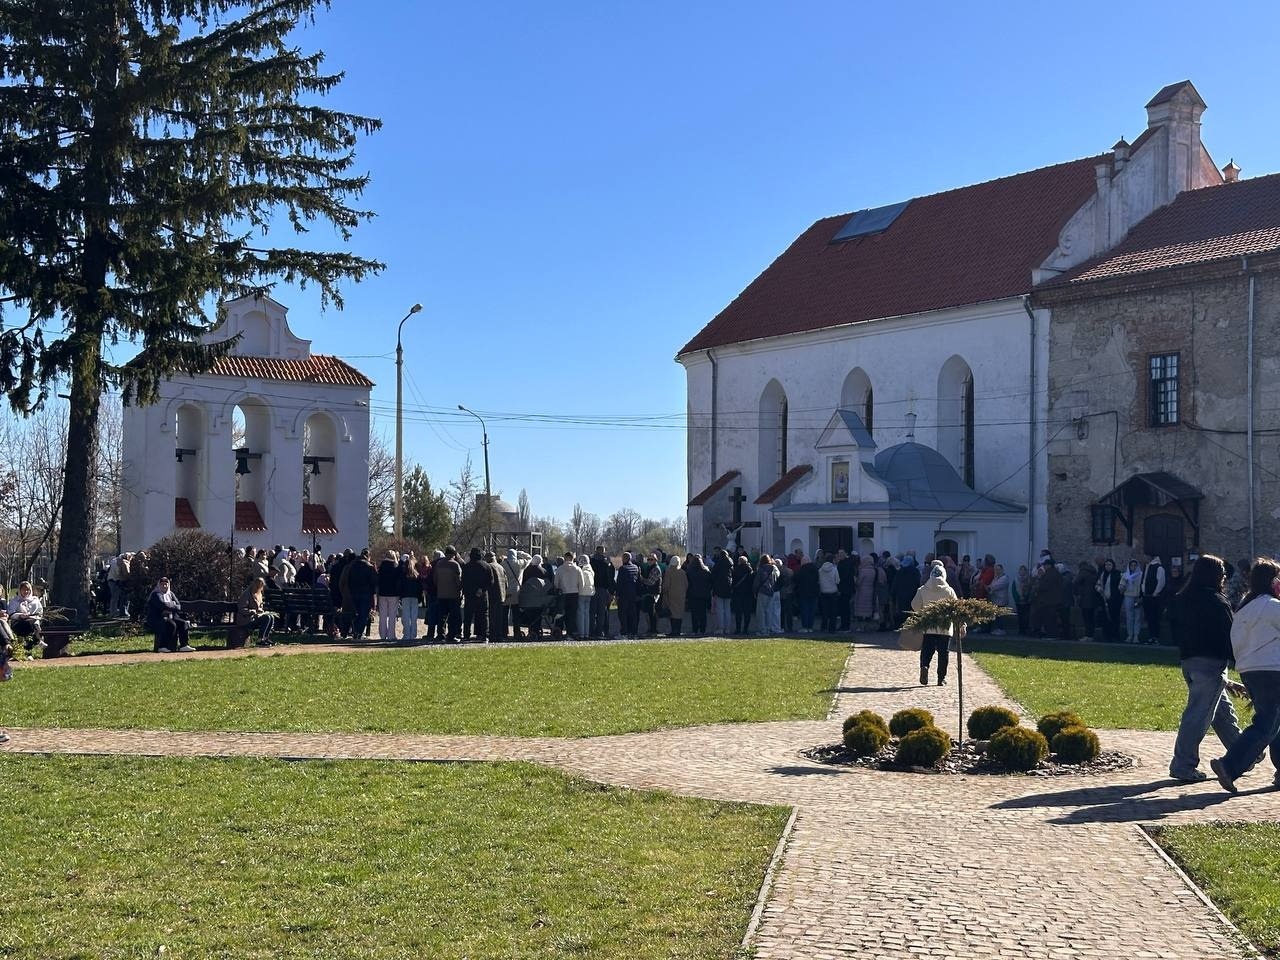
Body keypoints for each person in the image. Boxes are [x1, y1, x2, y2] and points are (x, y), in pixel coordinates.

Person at [1167, 554, 1242, 782]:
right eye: (1222, 573)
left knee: (1220, 711)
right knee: (1198, 715)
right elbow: (1231, 636)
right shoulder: (1217, 602)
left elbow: (1171, 628)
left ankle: (1245, 753)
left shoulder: (1182, 599)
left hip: (1189, 660)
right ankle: (1183, 764)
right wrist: (1240, 662)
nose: (1224, 577)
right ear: (1214, 576)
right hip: (1211, 662)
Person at [1211, 558, 1280, 793]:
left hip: (1250, 670)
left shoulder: (1243, 608)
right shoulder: (1272, 606)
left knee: (1274, 722)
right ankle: (1229, 765)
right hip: (1272, 670)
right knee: (1265, 725)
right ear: (1272, 581)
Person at [912, 560, 959, 686]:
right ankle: (941, 678)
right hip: (945, 626)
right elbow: (956, 608)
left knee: (927, 650)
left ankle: (924, 666)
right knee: (943, 653)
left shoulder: (922, 590)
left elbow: (915, 605)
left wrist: (923, 612)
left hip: (929, 625)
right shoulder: (949, 591)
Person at [145, 577, 194, 653]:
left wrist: (170, 606)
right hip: (156, 618)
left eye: (166, 584)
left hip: (171, 617)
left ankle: (184, 645)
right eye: (162, 584)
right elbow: (162, 605)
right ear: (159, 585)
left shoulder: (170, 594)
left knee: (183, 623)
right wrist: (172, 604)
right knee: (171, 624)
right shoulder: (155, 594)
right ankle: (163, 646)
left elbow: (178, 606)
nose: (164, 586)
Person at [2, 581, 44, 655]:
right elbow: (11, 613)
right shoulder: (14, 601)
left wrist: (31, 616)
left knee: (30, 623)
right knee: (26, 624)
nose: (26, 591)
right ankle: (36, 643)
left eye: (27, 590)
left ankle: (30, 649)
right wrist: (20, 615)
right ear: (20, 590)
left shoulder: (35, 601)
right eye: (24, 590)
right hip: (17, 622)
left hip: (32, 621)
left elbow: (40, 613)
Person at [461, 547, 494, 642]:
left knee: (468, 616)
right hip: (483, 594)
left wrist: (469, 590)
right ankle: (484, 636)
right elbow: (491, 581)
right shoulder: (487, 566)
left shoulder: (467, 567)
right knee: (484, 615)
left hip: (470, 594)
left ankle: (466, 635)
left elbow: (464, 581)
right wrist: (482, 589)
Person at [433, 546, 463, 642]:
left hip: (441, 594)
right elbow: (458, 581)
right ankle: (451, 635)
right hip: (453, 594)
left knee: (442, 615)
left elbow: (435, 580)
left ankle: (440, 635)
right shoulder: (455, 565)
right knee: (453, 616)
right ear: (454, 554)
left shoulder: (439, 564)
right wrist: (460, 589)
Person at [236, 576, 276, 647]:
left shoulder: (259, 594)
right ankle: (259, 640)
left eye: (260, 586)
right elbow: (241, 609)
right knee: (266, 618)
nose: (258, 588)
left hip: (254, 618)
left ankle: (265, 638)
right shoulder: (247, 594)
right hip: (246, 620)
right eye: (257, 586)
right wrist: (252, 611)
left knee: (271, 617)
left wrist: (261, 610)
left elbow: (260, 607)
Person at [517, 561, 552, 640]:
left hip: (529, 598)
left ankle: (532, 629)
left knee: (531, 615)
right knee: (537, 614)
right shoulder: (543, 570)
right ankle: (535, 629)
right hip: (539, 599)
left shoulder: (527, 570)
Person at [554, 551, 584, 639]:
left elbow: (556, 583)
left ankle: (558, 632)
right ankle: (570, 633)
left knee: (561, 614)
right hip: (574, 594)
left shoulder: (560, 569)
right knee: (572, 615)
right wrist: (580, 592)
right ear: (573, 558)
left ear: (565, 557)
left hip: (563, 594)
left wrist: (557, 590)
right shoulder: (577, 569)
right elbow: (581, 583)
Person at [502, 549, 530, 638]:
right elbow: (529, 558)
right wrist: (520, 553)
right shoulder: (520, 563)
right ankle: (517, 632)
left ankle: (504, 632)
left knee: (504, 613)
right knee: (516, 614)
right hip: (516, 591)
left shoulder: (503, 564)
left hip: (505, 590)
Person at [588, 546, 614, 639]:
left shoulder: (591, 562)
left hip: (593, 588)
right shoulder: (607, 563)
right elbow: (610, 578)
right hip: (603, 589)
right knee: (601, 612)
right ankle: (600, 631)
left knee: (592, 611)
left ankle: (590, 631)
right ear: (603, 552)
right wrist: (611, 591)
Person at [1141, 553, 1168, 644]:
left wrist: (1155, 593)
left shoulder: (1158, 567)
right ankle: (1151, 636)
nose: (1143, 558)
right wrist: (1143, 591)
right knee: (1149, 617)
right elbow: (1144, 580)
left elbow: (1161, 581)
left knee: (1154, 618)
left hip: (1154, 597)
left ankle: (1156, 637)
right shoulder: (1147, 566)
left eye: (1145, 556)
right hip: (1147, 596)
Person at [1095, 559, 1124, 643]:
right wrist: (1099, 589)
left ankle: (1115, 635)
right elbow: (1097, 584)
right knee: (1106, 619)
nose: (1108, 566)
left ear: (1113, 565)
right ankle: (1107, 635)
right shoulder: (1102, 574)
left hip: (1115, 600)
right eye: (1106, 565)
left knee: (1115, 618)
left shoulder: (1118, 574)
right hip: (1105, 600)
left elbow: (1122, 586)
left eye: (1109, 565)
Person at [890, 555, 921, 629]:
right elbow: (918, 582)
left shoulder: (900, 571)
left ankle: (902, 626)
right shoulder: (916, 571)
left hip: (901, 595)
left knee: (902, 611)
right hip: (913, 594)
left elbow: (895, 584)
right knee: (912, 611)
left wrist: (893, 594)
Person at [614, 552, 641, 639]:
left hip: (624, 595)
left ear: (624, 559)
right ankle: (633, 633)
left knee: (622, 614)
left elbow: (619, 583)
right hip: (633, 595)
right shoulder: (636, 567)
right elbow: (638, 581)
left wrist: (617, 595)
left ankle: (624, 633)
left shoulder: (623, 568)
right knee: (632, 615)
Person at [660, 554, 688, 637]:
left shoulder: (669, 571)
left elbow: (666, 585)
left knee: (672, 613)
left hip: (671, 595)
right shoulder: (683, 572)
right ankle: (678, 631)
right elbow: (686, 584)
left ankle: (673, 631)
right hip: (681, 595)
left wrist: (663, 591)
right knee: (679, 613)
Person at [684, 554, 711, 636]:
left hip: (693, 595)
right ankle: (703, 630)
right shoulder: (706, 571)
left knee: (694, 614)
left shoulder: (689, 571)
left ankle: (694, 630)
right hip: (704, 595)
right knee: (703, 613)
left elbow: (687, 583)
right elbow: (710, 583)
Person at [751, 554, 778, 636]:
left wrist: (754, 591)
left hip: (762, 591)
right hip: (771, 591)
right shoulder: (773, 569)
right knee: (769, 611)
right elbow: (775, 580)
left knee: (761, 612)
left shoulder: (761, 569)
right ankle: (768, 629)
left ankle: (762, 630)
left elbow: (757, 581)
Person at [1073, 560, 1100, 641]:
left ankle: (1087, 635)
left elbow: (1076, 582)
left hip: (1085, 598)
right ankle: (1091, 635)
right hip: (1093, 598)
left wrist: (1076, 593)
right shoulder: (1094, 572)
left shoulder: (1083, 572)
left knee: (1086, 618)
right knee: (1091, 618)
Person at [397, 555, 422, 643]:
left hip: (405, 596)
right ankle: (413, 634)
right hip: (414, 596)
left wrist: (400, 595)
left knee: (406, 616)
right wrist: (420, 598)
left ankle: (406, 634)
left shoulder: (403, 574)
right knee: (414, 616)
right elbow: (420, 588)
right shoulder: (417, 575)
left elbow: (400, 586)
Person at [486, 551, 508, 642]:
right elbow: (506, 583)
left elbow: (488, 581)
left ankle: (492, 635)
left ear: (488, 558)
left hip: (492, 595)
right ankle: (499, 635)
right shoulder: (501, 567)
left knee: (491, 616)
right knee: (499, 617)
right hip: (501, 595)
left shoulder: (489, 566)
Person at [794, 553, 819, 633]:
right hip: (814, 592)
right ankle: (810, 627)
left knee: (805, 610)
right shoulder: (815, 569)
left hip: (803, 593)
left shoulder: (801, 570)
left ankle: (805, 627)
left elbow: (796, 579)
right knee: (812, 610)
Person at [853, 553, 880, 628]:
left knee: (860, 609)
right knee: (868, 608)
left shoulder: (862, 570)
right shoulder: (873, 570)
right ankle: (866, 626)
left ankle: (860, 626)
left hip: (861, 591)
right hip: (870, 590)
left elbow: (859, 582)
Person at [710, 549, 734, 635]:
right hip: (728, 588)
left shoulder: (718, 564)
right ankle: (727, 628)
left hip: (719, 588)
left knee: (720, 610)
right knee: (727, 609)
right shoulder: (731, 564)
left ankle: (721, 628)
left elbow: (713, 576)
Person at [731, 554, 755, 635]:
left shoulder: (736, 570)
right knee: (747, 613)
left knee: (738, 613)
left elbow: (733, 582)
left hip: (738, 593)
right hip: (748, 594)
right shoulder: (750, 570)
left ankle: (738, 629)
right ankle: (745, 629)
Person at [1120, 559, 1143, 643]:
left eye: (1134, 565)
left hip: (1137, 597)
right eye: (1131, 565)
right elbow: (1121, 587)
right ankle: (1130, 635)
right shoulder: (1125, 575)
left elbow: (1143, 586)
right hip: (1128, 596)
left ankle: (1136, 635)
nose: (1133, 567)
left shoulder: (1141, 575)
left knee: (1138, 617)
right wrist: (1125, 583)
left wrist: (1141, 596)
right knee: (1129, 616)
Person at [836, 549, 856, 631]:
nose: (839, 555)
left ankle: (845, 625)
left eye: (841, 553)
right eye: (839, 553)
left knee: (845, 608)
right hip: (844, 588)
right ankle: (844, 624)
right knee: (843, 608)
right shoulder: (843, 563)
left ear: (845, 554)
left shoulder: (846, 563)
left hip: (845, 588)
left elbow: (844, 576)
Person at [987, 563, 1010, 635]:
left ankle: (1002, 629)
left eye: (999, 569)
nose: (997, 571)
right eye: (996, 570)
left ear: (1002, 570)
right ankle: (998, 629)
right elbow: (991, 585)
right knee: (997, 615)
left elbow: (994, 586)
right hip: (995, 600)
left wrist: (990, 587)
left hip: (1001, 600)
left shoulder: (1005, 578)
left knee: (1001, 616)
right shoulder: (996, 578)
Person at [575, 553, 594, 639]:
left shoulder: (581, 571)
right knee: (587, 614)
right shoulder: (591, 570)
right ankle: (587, 633)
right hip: (590, 593)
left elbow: (580, 583)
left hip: (582, 593)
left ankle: (581, 633)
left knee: (580, 614)